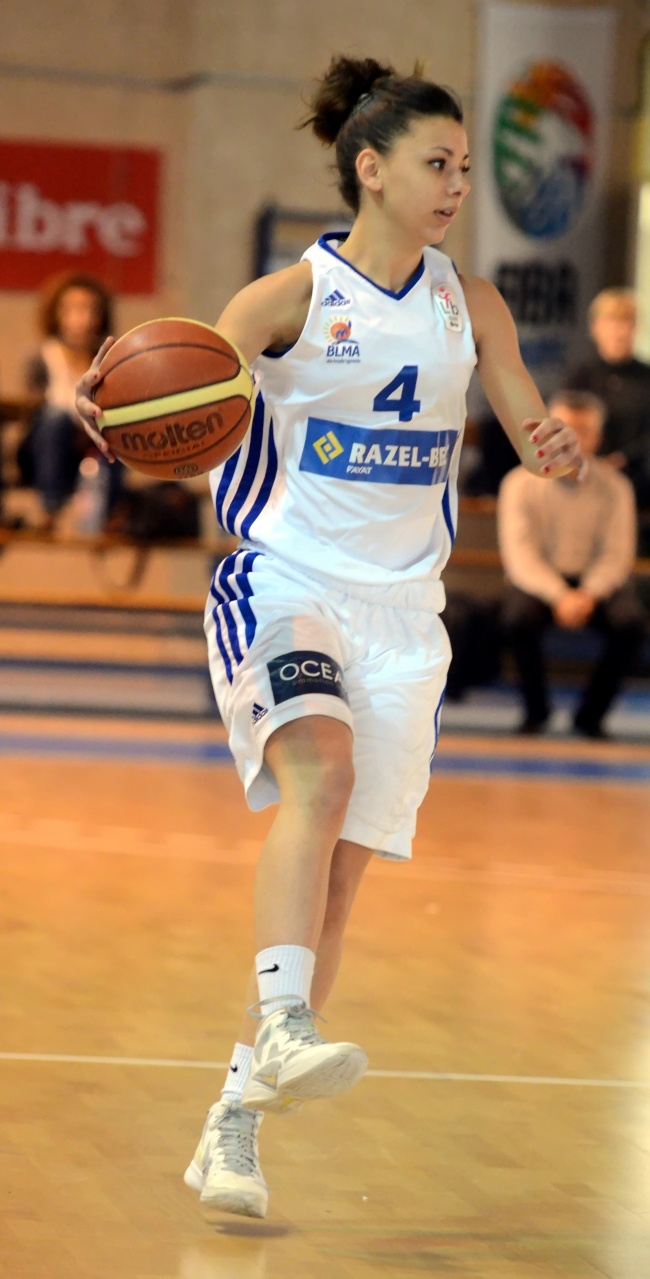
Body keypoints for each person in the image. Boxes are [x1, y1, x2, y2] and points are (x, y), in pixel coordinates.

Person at [75, 55, 583, 1222]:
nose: (456, 184)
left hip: (406, 616)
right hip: (286, 579)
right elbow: (178, 398)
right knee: (322, 772)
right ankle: (286, 1018)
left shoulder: (472, 302)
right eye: (437, 163)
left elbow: (522, 418)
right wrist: (115, 414)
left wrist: (548, 444)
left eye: (464, 167)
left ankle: (236, 1118)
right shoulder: (285, 299)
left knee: (339, 890)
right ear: (370, 169)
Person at [499, 389, 646, 738]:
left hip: (595, 585)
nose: (571, 438)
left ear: (597, 437)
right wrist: (559, 595)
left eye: (582, 430)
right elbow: (521, 557)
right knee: (516, 619)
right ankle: (536, 712)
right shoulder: (518, 483)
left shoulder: (617, 486)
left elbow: (616, 555)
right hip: (540, 583)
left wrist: (588, 594)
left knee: (630, 624)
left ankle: (590, 717)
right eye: (562, 428)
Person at [19, 272, 120, 527]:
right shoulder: (42, 358)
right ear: (57, 314)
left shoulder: (108, 361)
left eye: (90, 309)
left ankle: (111, 511)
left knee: (113, 428)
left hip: (92, 448)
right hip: (48, 449)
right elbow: (33, 415)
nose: (83, 319)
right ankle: (50, 507)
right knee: (55, 419)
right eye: (74, 309)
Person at [565, 288, 650, 523]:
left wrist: (622, 458)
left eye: (626, 323)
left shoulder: (646, 378)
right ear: (595, 328)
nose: (619, 331)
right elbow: (567, 424)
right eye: (611, 322)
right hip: (584, 474)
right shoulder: (580, 377)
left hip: (637, 478)